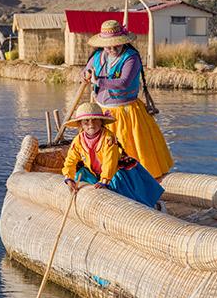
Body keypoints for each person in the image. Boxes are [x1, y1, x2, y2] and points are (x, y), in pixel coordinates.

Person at [83, 20, 174, 179]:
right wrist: (86, 75)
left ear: (123, 42)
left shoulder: (131, 58)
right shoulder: (98, 56)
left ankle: (136, 181)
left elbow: (123, 82)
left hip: (125, 113)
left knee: (129, 148)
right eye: (108, 46)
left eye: (116, 45)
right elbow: (85, 71)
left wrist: (98, 81)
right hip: (101, 112)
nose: (112, 49)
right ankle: (103, 178)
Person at [62, 102, 164, 209]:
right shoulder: (78, 140)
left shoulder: (108, 138)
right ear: (80, 124)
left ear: (101, 122)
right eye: (86, 121)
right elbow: (70, 160)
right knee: (80, 174)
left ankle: (151, 207)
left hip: (115, 171)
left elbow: (109, 161)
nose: (91, 124)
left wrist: (104, 181)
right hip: (95, 172)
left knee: (124, 192)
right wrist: (69, 178)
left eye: (95, 119)